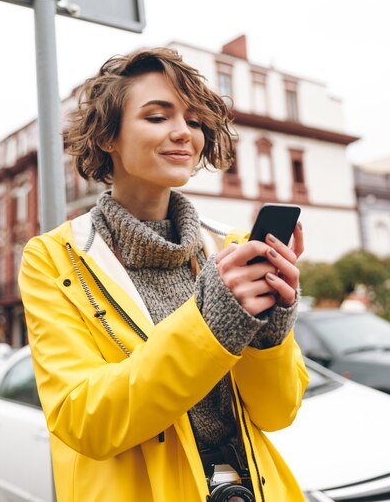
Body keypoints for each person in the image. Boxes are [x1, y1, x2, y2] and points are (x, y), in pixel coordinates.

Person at [19, 47, 309, 502]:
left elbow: (276, 413)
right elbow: (85, 420)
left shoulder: (230, 247)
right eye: (157, 117)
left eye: (195, 122)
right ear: (106, 137)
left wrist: (270, 331)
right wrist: (210, 322)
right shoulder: (54, 257)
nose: (183, 133)